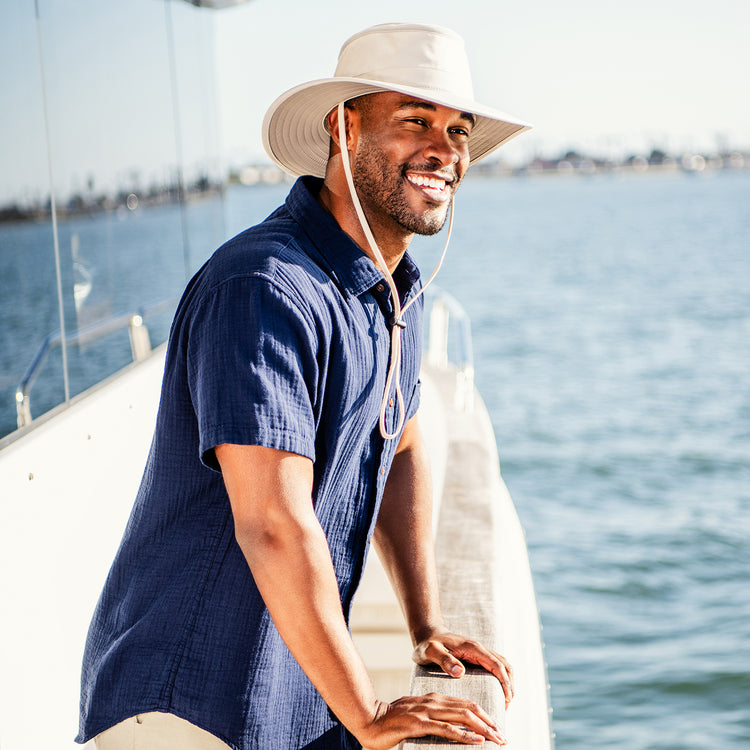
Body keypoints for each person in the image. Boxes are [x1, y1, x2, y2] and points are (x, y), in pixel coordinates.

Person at [77, 22, 531, 750]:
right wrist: (370, 712)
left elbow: (404, 437)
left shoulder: (394, 291)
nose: (444, 148)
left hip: (291, 697)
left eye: (457, 129)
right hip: (183, 708)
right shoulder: (263, 288)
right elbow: (272, 521)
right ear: (342, 128)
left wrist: (425, 623)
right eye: (415, 120)